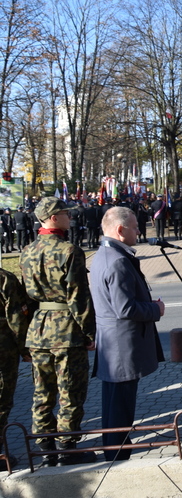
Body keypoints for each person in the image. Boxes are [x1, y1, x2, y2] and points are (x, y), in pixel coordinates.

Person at [19, 197, 96, 466]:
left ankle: (44, 449)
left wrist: (26, 337)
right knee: (70, 391)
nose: (70, 217)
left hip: (38, 330)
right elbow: (78, 297)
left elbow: (26, 299)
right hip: (66, 331)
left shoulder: (27, 251)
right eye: (65, 213)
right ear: (53, 218)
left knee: (42, 392)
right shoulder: (69, 250)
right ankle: (66, 448)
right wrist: (89, 333)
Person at [90, 207, 165, 461]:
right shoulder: (118, 261)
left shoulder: (104, 254)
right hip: (121, 347)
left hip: (112, 345)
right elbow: (125, 309)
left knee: (114, 404)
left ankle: (115, 448)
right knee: (120, 407)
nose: (139, 231)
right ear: (120, 230)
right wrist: (155, 309)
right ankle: (117, 456)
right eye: (135, 227)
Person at [0, 268, 32, 466]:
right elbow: (17, 317)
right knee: (1, 402)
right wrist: (24, 349)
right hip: (3, 351)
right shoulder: (4, 279)